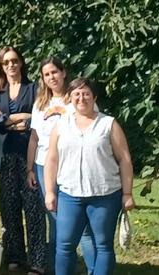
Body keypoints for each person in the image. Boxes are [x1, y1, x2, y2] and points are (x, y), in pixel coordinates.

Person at [43, 79, 135, 275]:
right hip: (69, 195)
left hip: (105, 195)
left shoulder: (108, 124)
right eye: (76, 94)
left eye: (86, 94)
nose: (81, 98)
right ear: (70, 97)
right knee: (65, 245)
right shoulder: (61, 125)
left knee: (103, 245)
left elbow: (125, 160)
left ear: (94, 97)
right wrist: (50, 192)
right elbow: (51, 160)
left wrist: (127, 193)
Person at [27, 57, 91, 273]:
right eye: (46, 74)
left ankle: (92, 267)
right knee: (55, 219)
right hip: (45, 166)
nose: (51, 77)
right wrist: (30, 169)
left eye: (54, 72)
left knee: (79, 222)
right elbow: (34, 139)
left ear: (63, 73)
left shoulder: (77, 98)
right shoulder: (40, 104)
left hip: (73, 165)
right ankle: (57, 269)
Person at [0, 48, 45, 273]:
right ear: (1, 67)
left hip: (29, 154)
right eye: (6, 62)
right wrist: (19, 118)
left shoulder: (33, 89)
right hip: (7, 155)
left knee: (33, 209)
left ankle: (37, 261)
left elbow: (37, 117)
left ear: (21, 63)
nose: (11, 65)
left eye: (14, 61)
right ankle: (14, 256)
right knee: (9, 208)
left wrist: (11, 119)